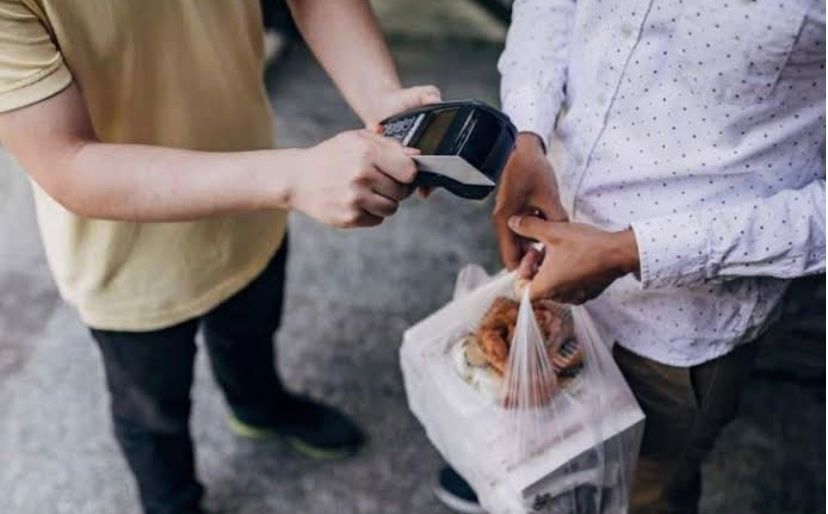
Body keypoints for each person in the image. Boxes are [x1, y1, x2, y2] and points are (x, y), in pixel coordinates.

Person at [0, 1, 440, 513]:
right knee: (152, 412)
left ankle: (258, 407)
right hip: (126, 257)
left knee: (251, 332)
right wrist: (294, 178)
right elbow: (67, 161)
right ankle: (173, 503)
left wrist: (382, 99)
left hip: (253, 194)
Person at [434, 0, 825, 513]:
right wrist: (526, 133)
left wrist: (632, 251)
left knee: (642, 489)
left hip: (679, 318)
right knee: (530, 439)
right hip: (550, 230)